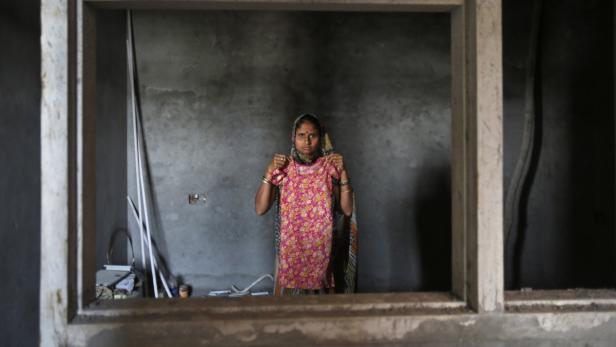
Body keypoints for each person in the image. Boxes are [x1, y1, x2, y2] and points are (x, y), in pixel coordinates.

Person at [255, 114, 354, 295]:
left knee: (323, 307)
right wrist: (269, 171)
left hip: (322, 250)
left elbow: (347, 209)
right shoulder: (283, 167)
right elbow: (260, 209)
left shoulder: (329, 168)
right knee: (289, 308)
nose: (307, 141)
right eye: (301, 135)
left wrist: (344, 172)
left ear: (321, 138)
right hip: (290, 250)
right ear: (293, 137)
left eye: (312, 135)